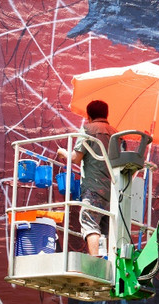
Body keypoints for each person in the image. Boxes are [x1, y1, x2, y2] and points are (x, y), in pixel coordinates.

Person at [57, 100, 117, 256]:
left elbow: (75, 158)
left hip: (94, 187)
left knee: (89, 222)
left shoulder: (88, 129)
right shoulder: (116, 134)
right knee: (107, 229)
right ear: (106, 114)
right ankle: (108, 262)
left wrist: (62, 152)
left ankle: (95, 262)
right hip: (113, 191)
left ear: (89, 116)